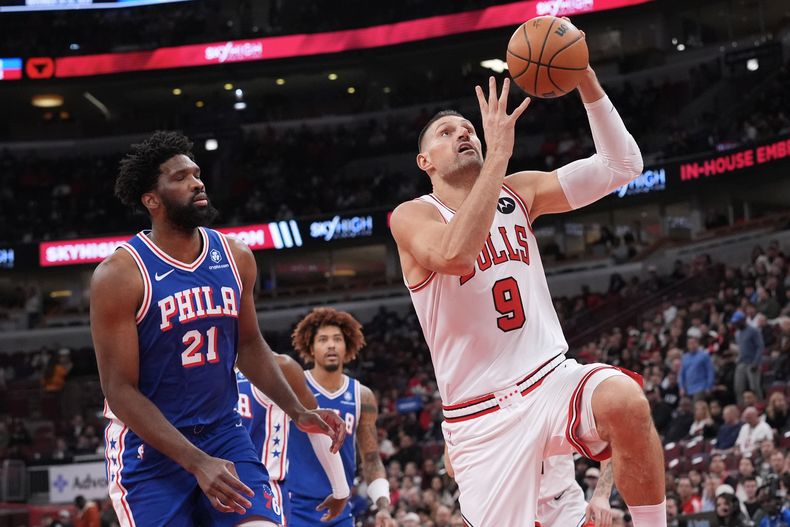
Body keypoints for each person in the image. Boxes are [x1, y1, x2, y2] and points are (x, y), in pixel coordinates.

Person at [390, 32, 665, 522]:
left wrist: (585, 79)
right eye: (447, 132)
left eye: (468, 128)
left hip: (549, 379)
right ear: (424, 161)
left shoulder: (519, 193)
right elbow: (455, 255)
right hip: (480, 416)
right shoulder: (413, 215)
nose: (464, 134)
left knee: (625, 399)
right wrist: (497, 155)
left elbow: (624, 165)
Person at [91, 131, 345, 527]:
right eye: (180, 178)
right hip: (149, 449)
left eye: (196, 173)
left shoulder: (236, 256)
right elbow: (119, 390)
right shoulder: (120, 275)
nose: (197, 182)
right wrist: (196, 462)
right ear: (151, 200)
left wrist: (297, 410)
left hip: (223, 433)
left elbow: (248, 344)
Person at [286, 307, 395, 527]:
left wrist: (383, 507)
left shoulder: (362, 396)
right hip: (292, 506)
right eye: (323, 339)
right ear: (311, 347)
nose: (331, 345)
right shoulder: (292, 386)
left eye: (337, 339)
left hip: (340, 508)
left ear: (347, 347)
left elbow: (371, 459)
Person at [236, 354, 350, 524]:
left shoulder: (281, 367)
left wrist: (340, 490)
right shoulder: (200, 369)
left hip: (261, 493)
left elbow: (317, 427)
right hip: (206, 486)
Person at [445, 445, 614, 526]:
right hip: (511, 509)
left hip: (563, 505)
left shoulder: (558, 386)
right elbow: (451, 467)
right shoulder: (486, 396)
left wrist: (602, 494)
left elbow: (609, 439)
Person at [732, 310, 765, 405]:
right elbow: (740, 348)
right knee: (738, 388)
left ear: (743, 320)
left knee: (754, 387)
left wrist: (756, 362)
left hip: (752, 362)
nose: (736, 324)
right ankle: (742, 407)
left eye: (737, 322)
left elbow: (760, 347)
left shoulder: (754, 331)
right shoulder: (737, 333)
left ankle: (760, 405)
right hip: (741, 362)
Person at [679, 327, 715, 401]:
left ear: (697, 343)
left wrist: (709, 386)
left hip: (700, 387)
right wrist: (681, 387)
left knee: (697, 407)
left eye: (693, 343)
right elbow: (681, 374)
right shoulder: (685, 357)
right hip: (688, 388)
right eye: (689, 343)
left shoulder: (704, 355)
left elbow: (710, 371)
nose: (692, 345)